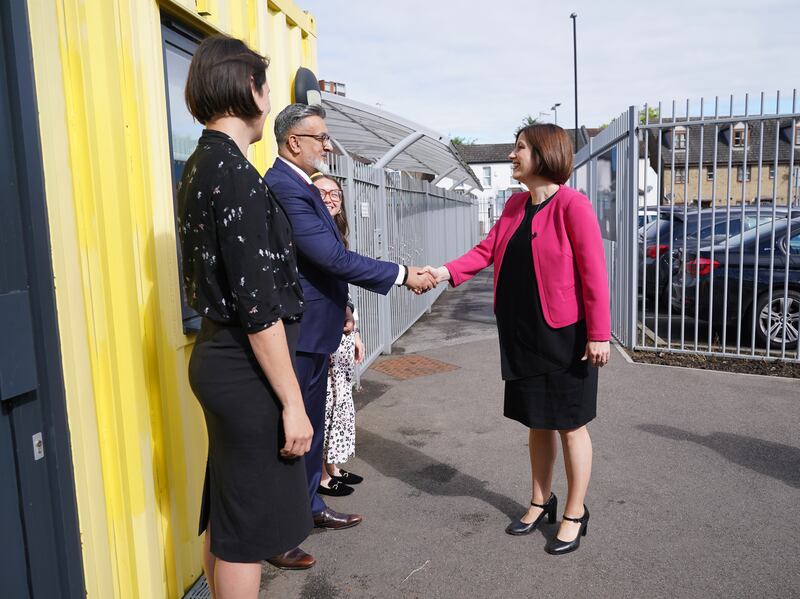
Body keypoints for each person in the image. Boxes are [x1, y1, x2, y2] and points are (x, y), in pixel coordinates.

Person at [424, 124, 610, 555]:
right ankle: (539, 501)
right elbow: (485, 251)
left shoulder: (573, 206)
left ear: (544, 154)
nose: (512, 155)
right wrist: (442, 272)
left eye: (520, 148)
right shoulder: (513, 207)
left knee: (569, 424)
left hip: (565, 335)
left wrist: (599, 334)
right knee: (536, 421)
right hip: (522, 334)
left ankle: (576, 513)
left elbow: (595, 275)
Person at [265, 103, 436, 568]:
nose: (327, 145)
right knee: (293, 433)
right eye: (319, 137)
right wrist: (403, 274)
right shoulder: (284, 186)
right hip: (299, 335)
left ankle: (311, 508)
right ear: (293, 142)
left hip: (319, 330)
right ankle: (281, 533)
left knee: (313, 429)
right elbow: (332, 259)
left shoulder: (300, 185)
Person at [177, 36, 314, 598]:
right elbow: (258, 311)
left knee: (230, 514)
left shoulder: (201, 163)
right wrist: (293, 403)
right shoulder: (230, 170)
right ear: (251, 90)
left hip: (221, 358)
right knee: (247, 532)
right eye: (265, 84)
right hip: (245, 366)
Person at [312, 175, 365, 497]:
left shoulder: (334, 235)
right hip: (320, 335)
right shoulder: (310, 236)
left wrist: (353, 327)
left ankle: (333, 465)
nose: (331, 198)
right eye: (323, 192)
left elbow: (340, 288)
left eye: (336, 193)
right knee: (324, 405)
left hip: (339, 332)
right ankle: (321, 475)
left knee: (340, 402)